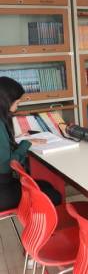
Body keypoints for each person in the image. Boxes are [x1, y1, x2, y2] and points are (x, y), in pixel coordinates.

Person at [0, 77, 61, 211]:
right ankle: (40, 228)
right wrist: (26, 143)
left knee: (46, 186)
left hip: (4, 185)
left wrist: (14, 140)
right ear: (5, 101)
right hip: (3, 190)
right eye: (17, 102)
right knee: (54, 195)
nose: (18, 106)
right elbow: (7, 166)